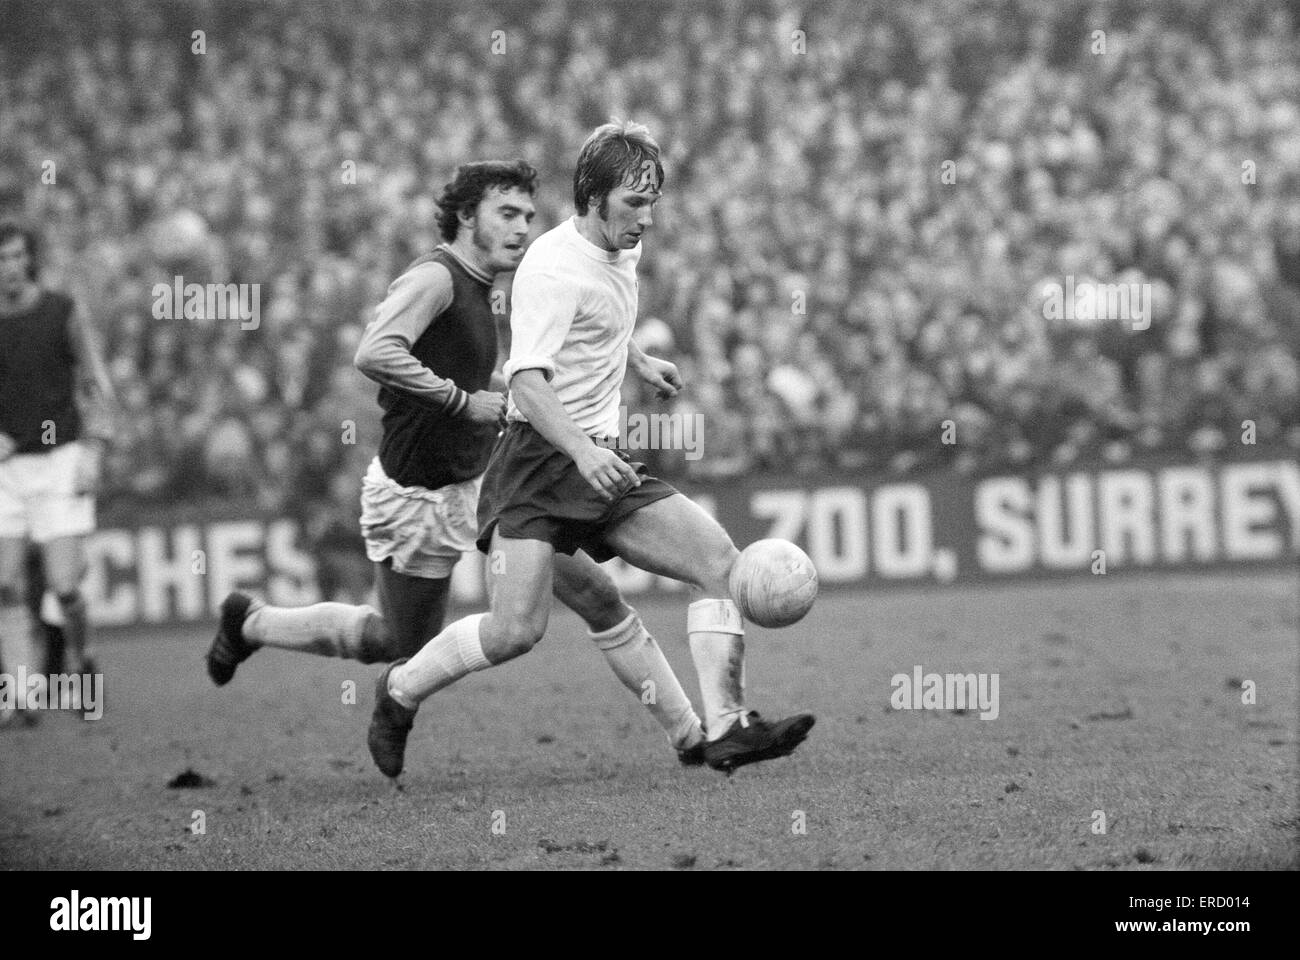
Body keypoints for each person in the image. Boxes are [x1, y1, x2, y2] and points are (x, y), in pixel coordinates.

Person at [206, 160, 707, 766]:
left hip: (488, 480)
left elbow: (546, 339)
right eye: (507, 214)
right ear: (467, 217)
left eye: (527, 214)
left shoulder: (493, 283)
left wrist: (632, 358)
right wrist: (460, 401)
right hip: (419, 494)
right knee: (396, 640)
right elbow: (375, 351)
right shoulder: (436, 279)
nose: (523, 227)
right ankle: (253, 622)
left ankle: (695, 740)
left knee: (597, 596)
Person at [368, 123, 815, 777]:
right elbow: (525, 380)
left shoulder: (617, 248)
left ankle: (723, 729)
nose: (647, 218)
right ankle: (399, 691)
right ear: (593, 196)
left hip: (596, 453)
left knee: (720, 563)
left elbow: (598, 312)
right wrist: (580, 451)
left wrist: (635, 355)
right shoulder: (550, 269)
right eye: (634, 202)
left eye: (653, 201)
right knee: (515, 630)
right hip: (535, 463)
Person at [0, 220, 116, 725]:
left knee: (63, 585)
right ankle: (19, 693)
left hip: (61, 458)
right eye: (0, 259)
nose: (8, 267)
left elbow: (94, 381)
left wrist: (94, 447)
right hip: (7, 468)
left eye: (15, 256)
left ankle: (82, 662)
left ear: (29, 259)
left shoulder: (61, 311)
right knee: (4, 584)